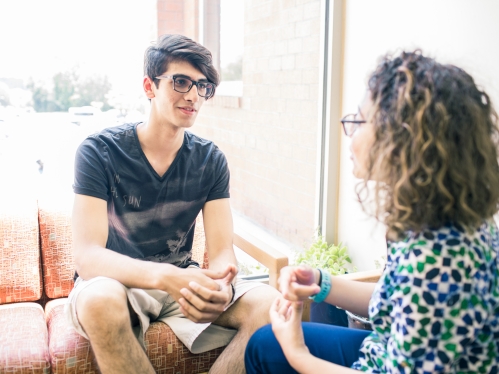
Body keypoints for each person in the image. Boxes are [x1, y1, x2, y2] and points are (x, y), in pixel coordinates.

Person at [245, 51, 499, 373]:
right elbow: (396, 298)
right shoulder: (436, 217)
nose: (349, 133)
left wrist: (299, 354)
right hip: (388, 348)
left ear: (402, 137)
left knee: (272, 350)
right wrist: (321, 283)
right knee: (264, 344)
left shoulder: (436, 257)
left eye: (358, 121)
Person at [65, 34, 278, 374]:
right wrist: (164, 276)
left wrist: (222, 284)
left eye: (202, 86)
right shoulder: (99, 151)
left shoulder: (210, 160)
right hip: (117, 282)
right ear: (149, 86)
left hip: (183, 281)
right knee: (99, 302)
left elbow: (222, 252)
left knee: (270, 305)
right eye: (180, 82)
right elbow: (88, 257)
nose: (193, 95)